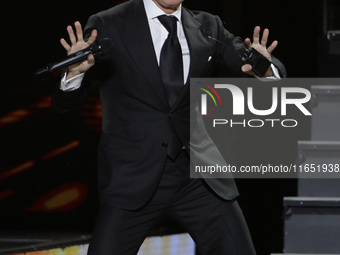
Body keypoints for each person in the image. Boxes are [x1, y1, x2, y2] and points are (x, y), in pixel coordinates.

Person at [52, 0, 286, 254]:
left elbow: (251, 64)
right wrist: (74, 73)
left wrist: (266, 69)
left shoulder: (208, 26)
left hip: (198, 178)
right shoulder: (109, 23)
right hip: (134, 177)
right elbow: (64, 104)